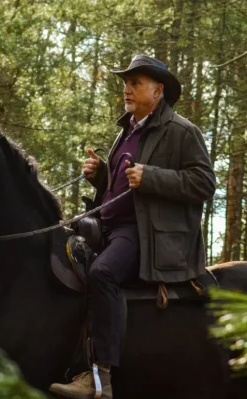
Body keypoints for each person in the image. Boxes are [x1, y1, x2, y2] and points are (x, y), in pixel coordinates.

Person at [49, 55, 216, 399]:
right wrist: (100, 176)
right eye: (125, 83)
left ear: (158, 91)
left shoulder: (183, 131)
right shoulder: (127, 130)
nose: (126, 89)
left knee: (103, 274)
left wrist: (152, 177)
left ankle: (101, 379)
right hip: (106, 226)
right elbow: (121, 187)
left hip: (143, 234)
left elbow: (204, 183)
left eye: (134, 83)